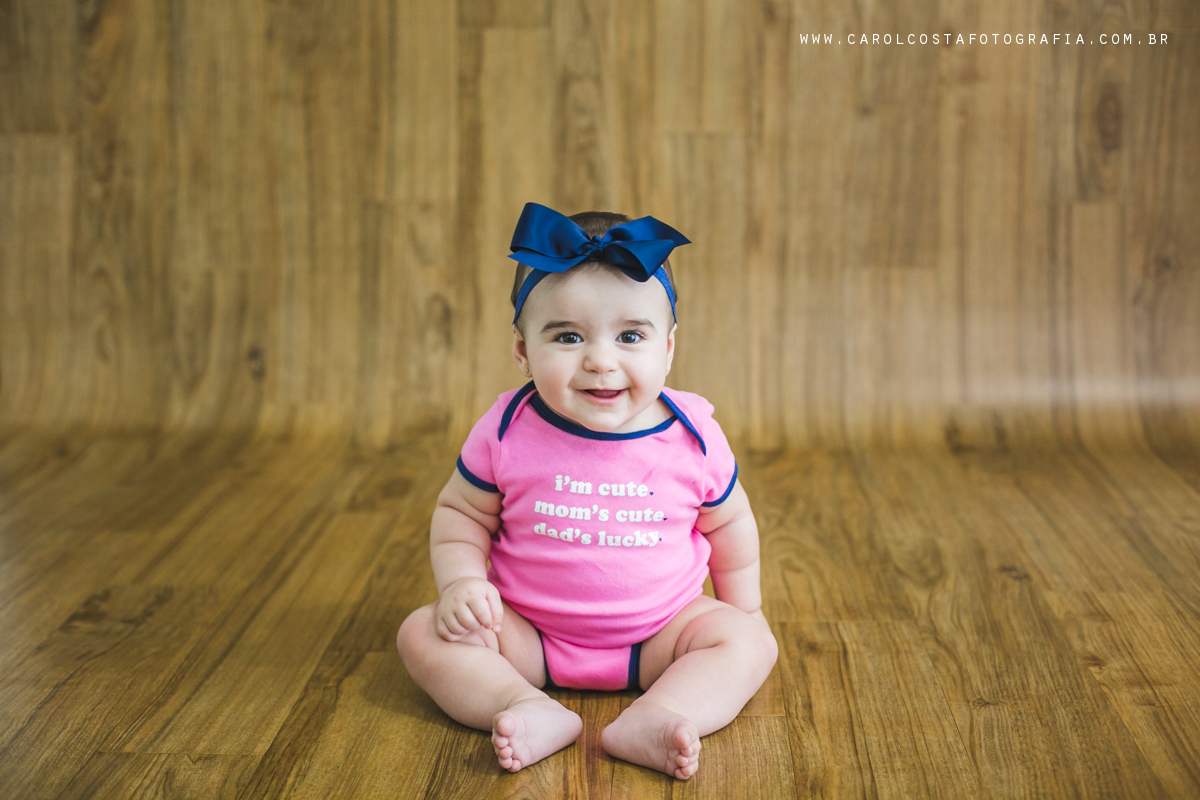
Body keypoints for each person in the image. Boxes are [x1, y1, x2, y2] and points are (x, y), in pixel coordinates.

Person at [396, 203, 777, 780]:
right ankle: (522, 705)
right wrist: (463, 585)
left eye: (630, 336)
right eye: (568, 336)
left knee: (751, 645)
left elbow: (729, 526)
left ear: (667, 348)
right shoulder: (506, 429)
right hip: (527, 635)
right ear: (523, 351)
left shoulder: (694, 435)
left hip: (662, 634)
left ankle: (663, 711)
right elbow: (460, 514)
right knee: (423, 634)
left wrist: (744, 610)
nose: (601, 361)